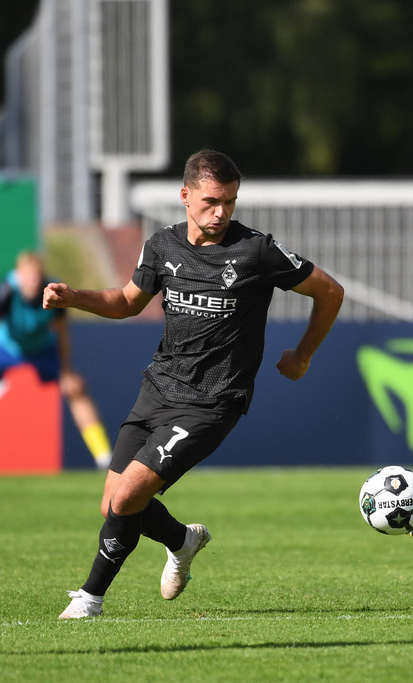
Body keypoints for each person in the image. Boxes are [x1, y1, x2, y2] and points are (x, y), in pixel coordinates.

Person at [44, 149, 344, 618]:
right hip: (158, 388)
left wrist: (304, 355)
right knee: (113, 503)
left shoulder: (256, 251)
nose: (222, 212)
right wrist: (73, 296)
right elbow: (126, 302)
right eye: (211, 202)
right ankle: (183, 540)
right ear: (185, 197)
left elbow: (330, 291)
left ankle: (89, 599)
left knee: (127, 497)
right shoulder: (162, 246)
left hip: (212, 402)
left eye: (230, 201)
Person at [0, 250, 114, 472]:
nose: (32, 281)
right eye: (27, 276)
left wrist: (66, 369)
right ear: (19, 275)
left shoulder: (54, 290)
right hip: (6, 347)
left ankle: (104, 459)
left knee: (76, 388)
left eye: (36, 276)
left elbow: (62, 332)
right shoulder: (6, 290)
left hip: (42, 348)